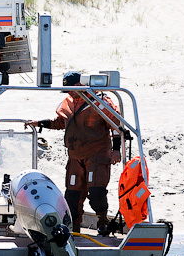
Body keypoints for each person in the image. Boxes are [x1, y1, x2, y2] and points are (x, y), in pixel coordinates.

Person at [28, 71, 121, 236]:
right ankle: (73, 229)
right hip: (75, 157)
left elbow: (116, 125)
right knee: (72, 195)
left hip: (97, 155)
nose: (69, 92)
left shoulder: (100, 102)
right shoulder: (69, 102)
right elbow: (62, 123)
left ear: (80, 85)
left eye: (71, 88)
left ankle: (102, 221)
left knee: (97, 192)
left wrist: (116, 150)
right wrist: (40, 123)